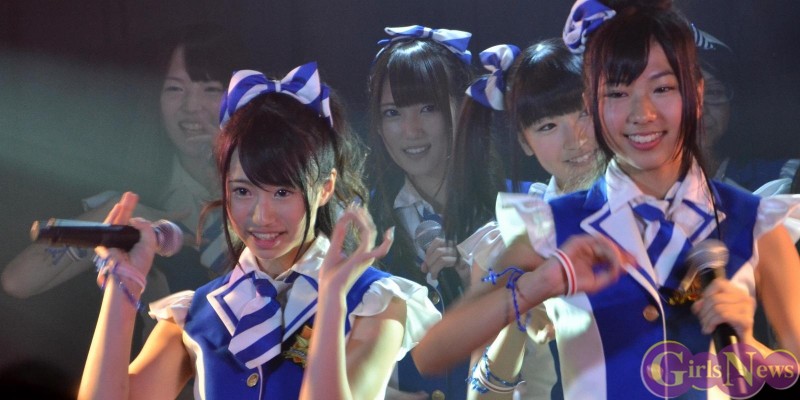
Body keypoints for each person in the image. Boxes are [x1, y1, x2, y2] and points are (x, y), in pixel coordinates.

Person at [413, 1, 800, 399]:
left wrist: (748, 346)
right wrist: (534, 290)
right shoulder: (546, 227)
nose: (642, 113)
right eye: (617, 93)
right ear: (594, 103)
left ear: (696, 93)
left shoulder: (756, 222)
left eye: (662, 88)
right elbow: (435, 356)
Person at [77, 62, 441, 399]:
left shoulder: (375, 302)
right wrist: (123, 284)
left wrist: (332, 301)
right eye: (243, 191)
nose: (261, 216)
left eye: (282, 192)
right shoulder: (198, 313)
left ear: (325, 188)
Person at [451, 40, 603, 400]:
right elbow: (480, 395)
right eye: (548, 126)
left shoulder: (660, 210)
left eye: (583, 113)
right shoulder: (507, 241)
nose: (575, 140)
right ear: (524, 141)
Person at [366, 25, 475, 399]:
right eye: (393, 112)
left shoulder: (517, 207)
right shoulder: (360, 226)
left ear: (461, 108)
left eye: (428, 107)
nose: (411, 131)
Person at [691, 25, 799, 195]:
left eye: (714, 92)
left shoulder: (781, 180)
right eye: (685, 93)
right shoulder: (645, 191)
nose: (700, 110)